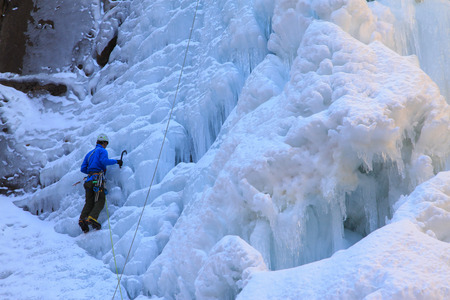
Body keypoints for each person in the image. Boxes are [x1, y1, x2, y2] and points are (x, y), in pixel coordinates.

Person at [78, 133, 123, 233]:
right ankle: (92, 218)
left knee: (89, 202)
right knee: (100, 200)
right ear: (103, 143)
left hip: (89, 181)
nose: (106, 146)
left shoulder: (89, 154)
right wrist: (116, 161)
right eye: (106, 144)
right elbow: (104, 161)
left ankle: (82, 219)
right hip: (97, 180)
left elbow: (83, 168)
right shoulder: (102, 150)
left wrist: (92, 172)